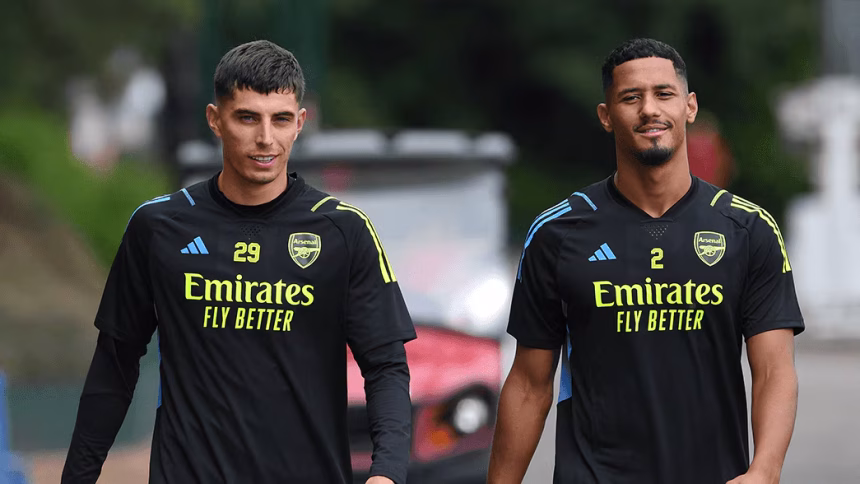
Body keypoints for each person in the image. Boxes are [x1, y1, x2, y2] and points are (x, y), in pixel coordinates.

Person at [62, 40, 416, 484]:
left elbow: (386, 366)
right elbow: (114, 364)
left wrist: (387, 474)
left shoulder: (345, 231)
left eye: (281, 119)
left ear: (300, 123)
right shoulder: (158, 227)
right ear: (215, 119)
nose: (265, 138)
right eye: (247, 117)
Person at [488, 38, 803, 484]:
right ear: (606, 116)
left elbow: (773, 370)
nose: (649, 109)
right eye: (631, 98)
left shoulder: (749, 231)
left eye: (664, 94)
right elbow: (528, 385)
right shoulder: (557, 233)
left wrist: (765, 470)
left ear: (689, 107)